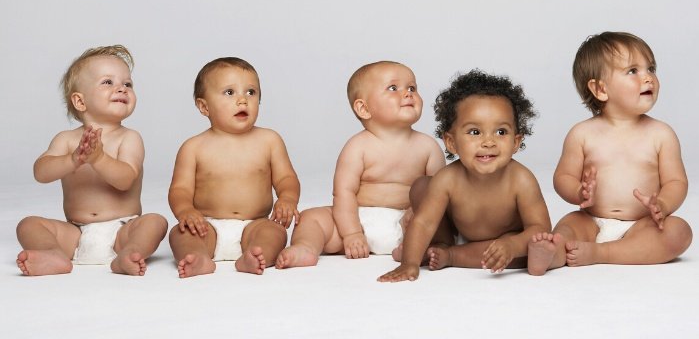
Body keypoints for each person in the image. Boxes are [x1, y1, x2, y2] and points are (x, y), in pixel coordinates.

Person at [528, 32, 692, 275]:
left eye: (651, 68)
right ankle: (551, 252)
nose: (648, 77)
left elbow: (676, 181)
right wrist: (578, 192)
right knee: (569, 225)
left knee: (679, 232)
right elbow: (562, 177)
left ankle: (602, 253)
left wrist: (663, 204)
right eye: (633, 71)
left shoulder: (662, 134)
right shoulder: (582, 133)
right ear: (600, 89)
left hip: (642, 224)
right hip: (591, 220)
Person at [378, 70, 551, 282]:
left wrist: (512, 246)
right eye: (475, 132)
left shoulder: (521, 180)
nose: (488, 142)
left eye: (501, 132)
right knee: (422, 186)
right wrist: (409, 264)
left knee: (524, 253)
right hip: (456, 230)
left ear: (516, 142)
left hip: (500, 242)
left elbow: (540, 228)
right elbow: (423, 223)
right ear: (451, 142)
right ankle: (440, 243)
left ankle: (451, 255)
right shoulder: (448, 179)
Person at [275, 61, 445, 268]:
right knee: (312, 218)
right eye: (393, 88)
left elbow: (439, 193)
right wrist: (351, 233)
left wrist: (416, 214)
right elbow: (344, 193)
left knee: (437, 222)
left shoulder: (428, 146)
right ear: (363, 108)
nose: (408, 94)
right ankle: (306, 248)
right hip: (359, 220)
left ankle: (414, 249)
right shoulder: (358, 146)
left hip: (407, 223)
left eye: (412, 88)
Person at [16, 45, 168, 276]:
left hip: (122, 230)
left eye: (128, 84)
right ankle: (53, 253)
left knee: (155, 222)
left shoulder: (129, 138)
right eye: (108, 82)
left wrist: (98, 158)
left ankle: (131, 252)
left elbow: (125, 179)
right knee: (28, 225)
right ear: (80, 101)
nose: (121, 88)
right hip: (76, 233)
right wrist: (74, 159)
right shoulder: (67, 140)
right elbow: (41, 172)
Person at [169, 57, 300, 278]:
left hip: (255, 224)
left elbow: (287, 178)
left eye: (251, 92)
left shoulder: (269, 140)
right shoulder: (193, 147)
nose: (242, 100)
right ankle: (198, 257)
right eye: (229, 93)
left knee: (275, 232)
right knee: (180, 234)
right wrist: (186, 212)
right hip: (206, 225)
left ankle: (254, 256)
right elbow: (179, 190)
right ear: (204, 106)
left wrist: (287, 199)